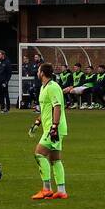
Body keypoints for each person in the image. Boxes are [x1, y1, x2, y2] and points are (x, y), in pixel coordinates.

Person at [31, 63, 69, 200]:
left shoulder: (52, 87)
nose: (37, 72)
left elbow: (57, 107)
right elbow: (46, 109)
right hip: (51, 127)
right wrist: (37, 122)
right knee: (55, 159)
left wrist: (54, 126)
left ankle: (46, 189)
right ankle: (61, 191)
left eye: (38, 70)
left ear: (42, 73)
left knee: (39, 154)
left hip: (54, 129)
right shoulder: (44, 87)